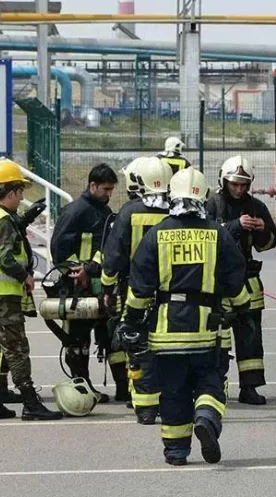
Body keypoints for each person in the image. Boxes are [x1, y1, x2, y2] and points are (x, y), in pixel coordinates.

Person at [118, 166, 251, 466]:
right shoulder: (217, 234)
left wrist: (130, 321)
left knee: (174, 392)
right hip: (206, 331)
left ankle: (177, 451)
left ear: (171, 196)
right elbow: (234, 280)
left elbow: (140, 288)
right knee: (210, 382)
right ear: (203, 197)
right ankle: (205, 418)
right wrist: (243, 311)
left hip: (165, 333)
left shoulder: (156, 235)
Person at [0, 159, 62, 421]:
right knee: (16, 348)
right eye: (20, 192)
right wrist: (25, 276)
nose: (21, 197)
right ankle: (31, 403)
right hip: (3, 294)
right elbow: (4, 258)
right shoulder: (2, 220)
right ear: (11, 192)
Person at [101, 156, 172, 424]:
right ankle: (169, 397)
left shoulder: (129, 212)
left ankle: (142, 403)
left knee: (137, 346)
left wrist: (107, 288)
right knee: (167, 346)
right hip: (171, 292)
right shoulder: (178, 209)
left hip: (134, 291)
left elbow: (114, 256)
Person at [48, 163, 127, 403]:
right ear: (92, 185)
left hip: (100, 286)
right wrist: (76, 270)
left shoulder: (103, 212)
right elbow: (58, 250)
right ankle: (82, 389)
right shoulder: (75, 211)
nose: (109, 194)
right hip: (77, 289)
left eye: (112, 189)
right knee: (78, 342)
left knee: (110, 337)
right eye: (105, 189)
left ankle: (122, 387)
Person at [206, 156, 276, 406]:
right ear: (223, 181)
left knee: (250, 338)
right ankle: (217, 387)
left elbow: (269, 243)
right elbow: (207, 235)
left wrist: (262, 229)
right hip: (219, 283)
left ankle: (250, 387)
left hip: (248, 282)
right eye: (234, 184)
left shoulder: (256, 206)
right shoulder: (211, 204)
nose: (239, 189)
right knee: (218, 339)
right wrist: (235, 225)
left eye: (243, 184)